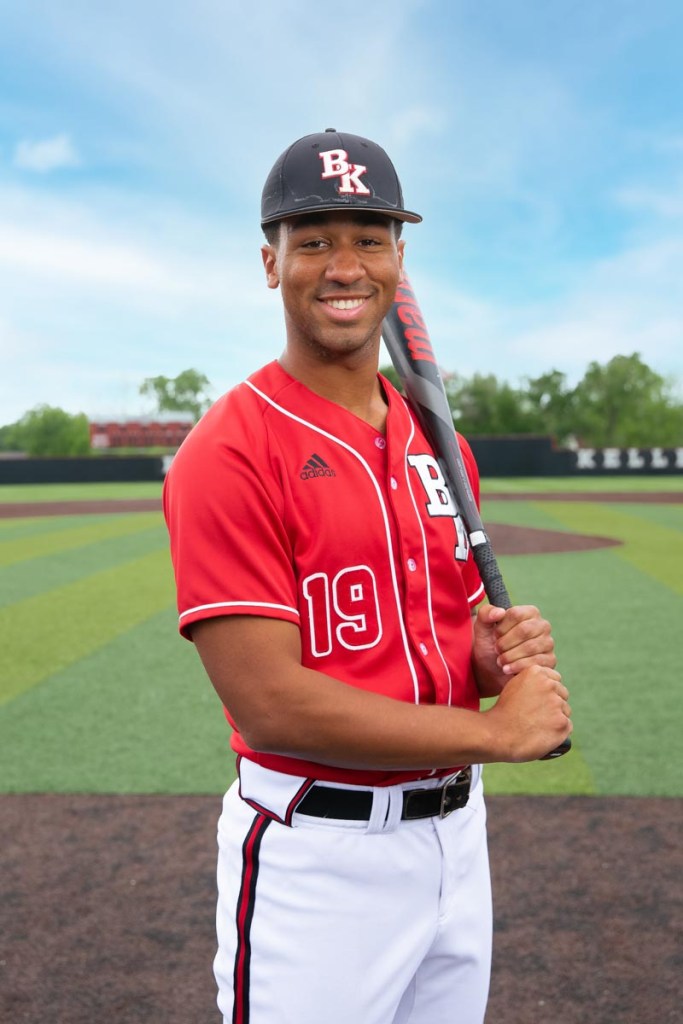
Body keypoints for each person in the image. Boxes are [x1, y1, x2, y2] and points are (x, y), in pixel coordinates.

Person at [163, 128, 572, 1024]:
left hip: (457, 840)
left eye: (368, 239)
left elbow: (433, 632)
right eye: (312, 241)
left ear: (398, 261)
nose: (344, 266)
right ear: (270, 264)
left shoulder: (440, 443)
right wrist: (496, 733)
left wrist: (482, 662)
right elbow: (270, 704)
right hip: (319, 859)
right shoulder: (229, 450)